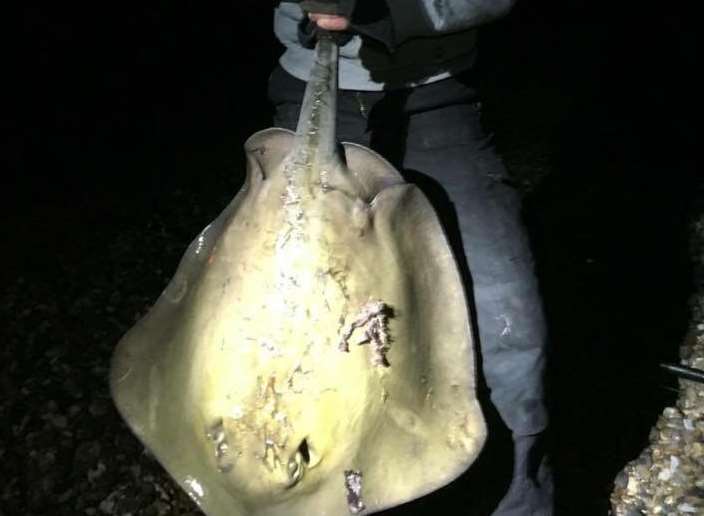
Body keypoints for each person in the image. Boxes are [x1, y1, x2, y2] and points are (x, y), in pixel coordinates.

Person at [268, 1, 553, 514]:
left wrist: (391, 12)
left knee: (507, 328)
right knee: (301, 339)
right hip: (310, 94)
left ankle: (514, 498)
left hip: (439, 99)